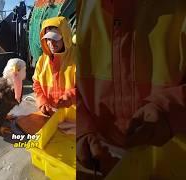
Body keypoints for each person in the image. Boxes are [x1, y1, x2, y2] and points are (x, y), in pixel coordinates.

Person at [76, 0, 186, 177]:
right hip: (97, 162)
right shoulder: (84, 5)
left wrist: (169, 110)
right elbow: (73, 81)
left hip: (169, 160)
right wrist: (81, 128)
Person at [32, 16, 77, 119]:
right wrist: (42, 102)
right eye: (48, 38)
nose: (51, 43)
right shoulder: (42, 60)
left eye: (55, 38)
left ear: (65, 37)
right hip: (49, 114)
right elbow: (36, 84)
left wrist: (69, 97)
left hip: (73, 116)